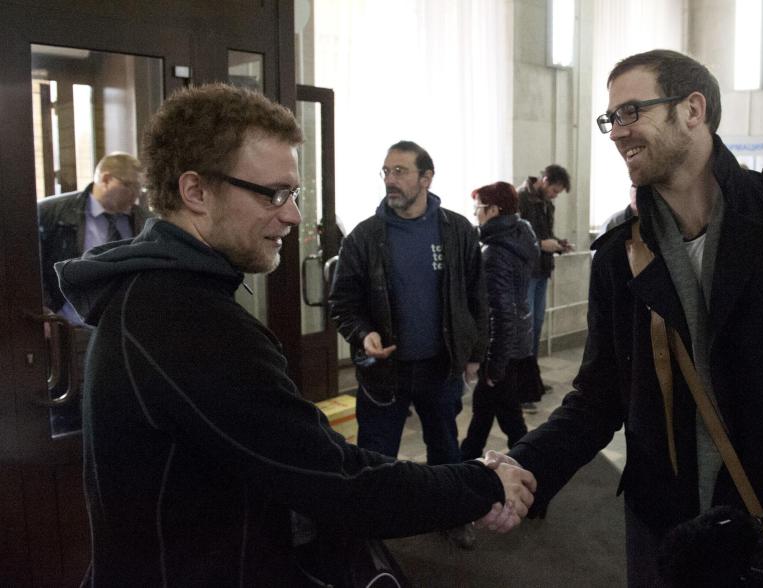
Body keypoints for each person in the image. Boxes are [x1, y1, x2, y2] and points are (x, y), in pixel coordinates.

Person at [55, 84, 535, 586]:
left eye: (294, 193)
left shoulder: (162, 297)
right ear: (195, 191)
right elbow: (338, 481)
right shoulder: (186, 322)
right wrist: (482, 482)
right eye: (274, 193)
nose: (293, 214)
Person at [501, 49, 763, 585]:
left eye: (631, 112)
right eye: (610, 119)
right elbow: (599, 397)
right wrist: (524, 463)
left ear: (693, 110)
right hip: (670, 532)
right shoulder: (621, 255)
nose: (617, 132)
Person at [328, 140, 488, 548]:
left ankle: (451, 517)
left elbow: (476, 298)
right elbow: (342, 302)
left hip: (440, 366)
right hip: (384, 372)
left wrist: (474, 355)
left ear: (426, 177)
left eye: (400, 171)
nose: (390, 180)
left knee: (446, 449)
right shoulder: (364, 236)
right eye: (386, 172)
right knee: (375, 457)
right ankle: (370, 532)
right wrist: (363, 334)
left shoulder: (457, 231)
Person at [460, 182, 539, 461]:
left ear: (494, 210)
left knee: (508, 419)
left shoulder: (494, 253)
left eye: (479, 208)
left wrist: (494, 365)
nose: (476, 214)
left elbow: (501, 312)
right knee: (488, 413)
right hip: (518, 341)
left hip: (502, 348)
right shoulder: (520, 235)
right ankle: (467, 461)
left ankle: (529, 468)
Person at [38, 152, 149, 324]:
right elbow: (33, 267)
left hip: (124, 325)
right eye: (130, 186)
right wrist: (47, 312)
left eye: (140, 188)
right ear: (106, 180)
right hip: (69, 325)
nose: (136, 195)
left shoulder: (144, 220)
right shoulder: (51, 213)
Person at [517, 164, 573, 407]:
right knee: (525, 329)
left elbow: (543, 233)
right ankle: (521, 388)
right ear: (545, 180)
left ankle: (533, 381)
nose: (554, 196)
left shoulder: (546, 203)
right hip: (525, 272)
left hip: (541, 270)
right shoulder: (520, 198)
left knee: (537, 326)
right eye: (554, 191)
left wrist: (559, 243)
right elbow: (519, 237)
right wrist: (542, 245)